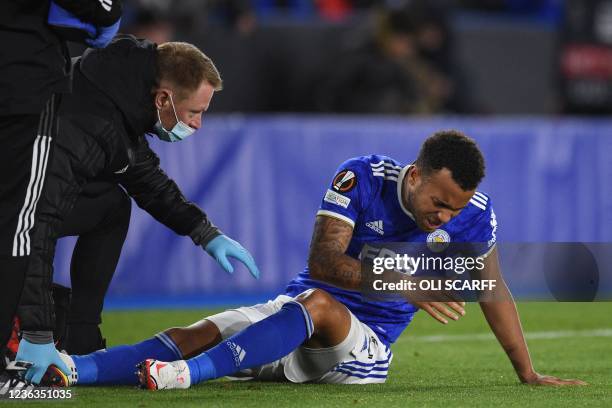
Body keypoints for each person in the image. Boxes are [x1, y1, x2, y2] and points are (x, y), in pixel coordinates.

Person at [43, 131, 585, 388]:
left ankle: (185, 378)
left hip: (361, 352)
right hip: (296, 309)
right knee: (200, 329)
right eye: (439, 203)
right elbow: (324, 261)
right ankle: (68, 369)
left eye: (455, 209)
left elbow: (491, 287)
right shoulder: (363, 176)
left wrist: (528, 372)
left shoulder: (474, 214)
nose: (446, 216)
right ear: (414, 176)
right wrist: (403, 281)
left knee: (319, 305)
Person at [9, 35, 260, 385]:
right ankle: (25, 335)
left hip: (15, 204)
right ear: (163, 99)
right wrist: (37, 331)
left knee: (111, 205)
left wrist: (205, 232)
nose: (199, 124)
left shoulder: (118, 97)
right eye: (195, 113)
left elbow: (145, 179)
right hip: (12, 211)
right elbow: (34, 224)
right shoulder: (86, 125)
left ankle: (80, 337)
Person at [0, 0, 122, 384]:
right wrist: (108, 13)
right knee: (15, 227)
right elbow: (97, 11)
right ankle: (7, 360)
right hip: (20, 79)